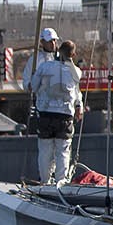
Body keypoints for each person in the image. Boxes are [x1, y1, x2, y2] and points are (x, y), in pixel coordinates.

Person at [28, 38, 83, 184]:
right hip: (65, 116)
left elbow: (33, 87)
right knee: (63, 151)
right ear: (73, 54)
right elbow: (77, 93)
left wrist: (35, 78)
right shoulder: (76, 72)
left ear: (58, 51)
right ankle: (60, 183)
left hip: (45, 114)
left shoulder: (45, 67)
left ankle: (44, 182)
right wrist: (79, 106)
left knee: (45, 151)